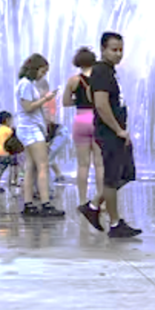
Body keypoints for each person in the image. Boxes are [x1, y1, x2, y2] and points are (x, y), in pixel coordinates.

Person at [81, 32, 141, 238]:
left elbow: (92, 95)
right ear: (103, 50)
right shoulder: (101, 71)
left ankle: (93, 205)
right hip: (110, 133)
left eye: (121, 50)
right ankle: (115, 224)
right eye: (114, 50)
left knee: (125, 174)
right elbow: (100, 103)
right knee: (112, 178)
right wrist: (118, 130)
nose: (118, 54)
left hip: (116, 132)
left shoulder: (108, 71)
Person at [16, 53, 64, 217]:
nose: (43, 75)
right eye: (42, 71)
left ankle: (29, 203)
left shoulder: (25, 84)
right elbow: (28, 107)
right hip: (31, 129)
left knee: (31, 166)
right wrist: (46, 99)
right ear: (34, 68)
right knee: (43, 165)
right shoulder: (26, 85)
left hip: (29, 128)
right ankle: (45, 203)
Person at [64, 47, 104, 207]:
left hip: (80, 119)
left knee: (82, 164)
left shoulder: (73, 80)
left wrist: (79, 102)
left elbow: (66, 102)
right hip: (97, 119)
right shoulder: (99, 79)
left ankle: (82, 201)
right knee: (100, 164)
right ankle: (101, 201)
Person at [36, 78, 68, 185]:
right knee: (47, 155)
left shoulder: (48, 99)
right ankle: (59, 175)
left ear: (44, 89)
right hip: (50, 129)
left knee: (46, 156)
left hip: (53, 130)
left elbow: (51, 117)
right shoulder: (45, 99)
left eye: (38, 89)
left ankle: (46, 185)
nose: (37, 92)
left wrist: (49, 135)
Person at [0, 111, 21, 191]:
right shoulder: (8, 130)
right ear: (7, 120)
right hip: (8, 152)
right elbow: (13, 140)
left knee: (1, 169)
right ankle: (14, 181)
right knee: (15, 166)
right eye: (11, 120)